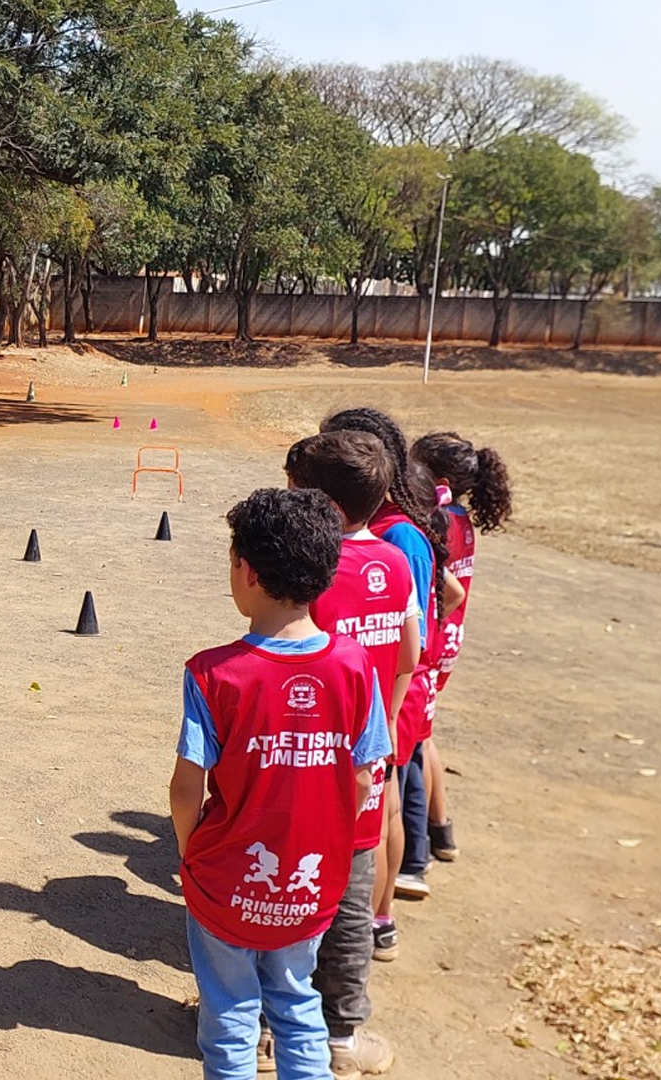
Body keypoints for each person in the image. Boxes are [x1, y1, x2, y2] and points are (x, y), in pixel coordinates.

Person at [172, 488, 389, 1080]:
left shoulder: (212, 673)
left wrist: (190, 854)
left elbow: (186, 787)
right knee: (298, 1004)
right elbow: (365, 775)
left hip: (224, 882)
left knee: (229, 1016)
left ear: (246, 570)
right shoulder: (355, 666)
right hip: (312, 882)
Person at [285, 431, 421, 1075]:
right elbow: (409, 654)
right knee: (349, 900)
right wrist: (385, 728)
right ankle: (342, 1034)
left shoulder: (311, 567)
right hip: (369, 760)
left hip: (307, 758)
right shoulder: (395, 561)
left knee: (292, 891)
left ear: (324, 506)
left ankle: (269, 1026)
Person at [319, 408, 448, 909]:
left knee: (382, 811)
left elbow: (412, 639)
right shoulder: (380, 530)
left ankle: (379, 914)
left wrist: (390, 712)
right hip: (377, 703)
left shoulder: (397, 538)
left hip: (389, 702)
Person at [410, 431, 513, 862]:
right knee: (424, 737)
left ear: (437, 481)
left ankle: (427, 836)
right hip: (450, 638)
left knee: (418, 742)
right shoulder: (461, 520)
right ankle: (440, 831)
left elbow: (446, 591)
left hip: (434, 641)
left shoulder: (440, 523)